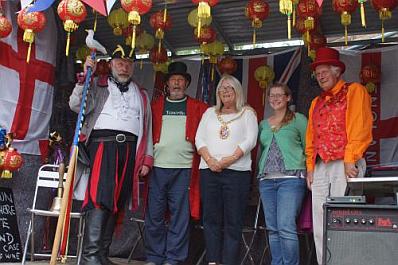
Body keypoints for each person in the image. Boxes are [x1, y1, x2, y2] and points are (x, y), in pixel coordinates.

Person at [69, 45, 153, 265]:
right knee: (100, 197)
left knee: (118, 199)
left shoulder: (141, 93)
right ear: (111, 63)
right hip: (102, 148)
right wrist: (83, 79)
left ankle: (102, 255)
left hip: (130, 151)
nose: (124, 67)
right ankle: (90, 257)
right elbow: (75, 105)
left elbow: (148, 129)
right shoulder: (97, 84)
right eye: (119, 62)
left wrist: (146, 158)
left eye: (128, 63)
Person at [305, 47, 372, 264]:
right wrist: (310, 167)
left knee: (343, 220)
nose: (320, 76)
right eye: (317, 73)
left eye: (324, 71)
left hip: (344, 161)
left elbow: (360, 127)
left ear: (337, 71)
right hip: (321, 165)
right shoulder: (316, 102)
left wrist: (350, 158)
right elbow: (311, 137)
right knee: (320, 221)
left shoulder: (355, 91)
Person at [145, 61, 208, 265]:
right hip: (157, 168)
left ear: (186, 83)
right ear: (167, 83)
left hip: (185, 170)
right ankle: (154, 257)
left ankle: (174, 259)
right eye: (173, 80)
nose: (177, 83)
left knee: (180, 218)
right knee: (154, 215)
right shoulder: (155, 106)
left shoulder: (199, 107)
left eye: (181, 80)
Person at [195, 74, 258, 265]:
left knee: (233, 220)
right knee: (210, 219)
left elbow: (250, 141)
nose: (225, 92)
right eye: (222, 89)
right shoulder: (209, 113)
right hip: (209, 171)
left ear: (237, 91)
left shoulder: (247, 113)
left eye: (229, 88)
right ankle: (213, 261)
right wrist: (210, 160)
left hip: (236, 173)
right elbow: (199, 139)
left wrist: (227, 161)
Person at [257, 83, 308, 265]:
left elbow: (309, 147)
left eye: (280, 95)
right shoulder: (263, 124)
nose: (276, 98)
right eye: (272, 95)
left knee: (286, 227)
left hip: (291, 180)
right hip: (267, 181)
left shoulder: (299, 119)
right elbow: (262, 151)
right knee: (273, 229)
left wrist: (310, 172)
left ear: (288, 98)